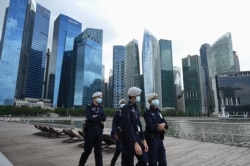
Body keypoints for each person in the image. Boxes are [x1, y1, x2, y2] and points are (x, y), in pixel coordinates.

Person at [121, 87, 148, 166]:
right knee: (128, 162)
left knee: (144, 159)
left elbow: (139, 124)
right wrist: (135, 143)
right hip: (128, 138)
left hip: (137, 136)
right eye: (138, 95)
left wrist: (144, 140)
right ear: (133, 96)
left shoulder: (135, 108)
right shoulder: (126, 108)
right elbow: (128, 126)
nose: (139, 96)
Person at [79, 92, 106, 166]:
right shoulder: (89, 106)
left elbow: (104, 118)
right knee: (87, 151)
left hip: (99, 131)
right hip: (90, 131)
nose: (101, 99)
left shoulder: (101, 107)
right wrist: (98, 118)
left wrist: (95, 116)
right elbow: (89, 117)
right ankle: (81, 164)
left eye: (101, 97)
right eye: (99, 97)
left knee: (98, 152)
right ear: (95, 98)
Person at [143, 93, 168, 166]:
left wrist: (164, 124)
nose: (156, 100)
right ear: (150, 101)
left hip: (160, 138)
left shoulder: (158, 112)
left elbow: (165, 123)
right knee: (152, 162)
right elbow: (151, 127)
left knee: (163, 162)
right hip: (152, 139)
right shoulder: (147, 113)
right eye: (154, 99)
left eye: (156, 98)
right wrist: (162, 128)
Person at [110, 99, 126, 166]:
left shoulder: (126, 112)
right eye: (122, 103)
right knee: (119, 150)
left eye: (124, 102)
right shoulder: (117, 113)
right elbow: (114, 124)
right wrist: (115, 133)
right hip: (118, 134)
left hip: (125, 134)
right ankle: (112, 163)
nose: (123, 104)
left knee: (123, 151)